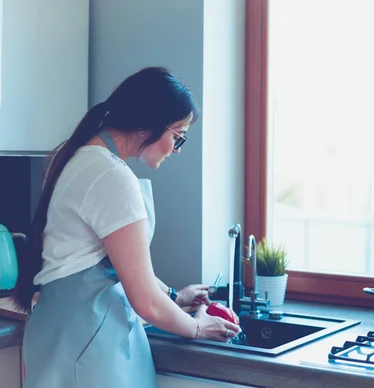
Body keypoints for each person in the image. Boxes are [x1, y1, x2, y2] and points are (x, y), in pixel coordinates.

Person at [13, 67, 242, 388]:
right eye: (178, 137)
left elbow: (112, 265)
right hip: (89, 345)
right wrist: (199, 328)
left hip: (66, 338)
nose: (176, 150)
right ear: (153, 124)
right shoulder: (111, 176)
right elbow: (145, 300)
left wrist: (175, 296)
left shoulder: (82, 160)